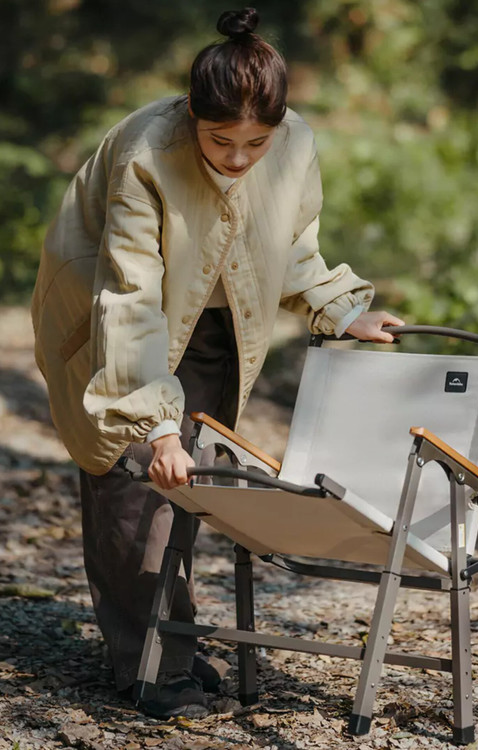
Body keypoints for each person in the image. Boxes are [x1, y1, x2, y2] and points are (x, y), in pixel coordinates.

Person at [31, 6, 404, 719]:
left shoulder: (294, 144)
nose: (238, 158)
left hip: (217, 318)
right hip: (112, 318)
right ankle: (149, 667)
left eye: (256, 143)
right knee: (137, 482)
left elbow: (288, 244)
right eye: (220, 140)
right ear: (191, 114)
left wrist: (338, 308)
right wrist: (156, 424)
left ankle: (166, 639)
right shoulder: (147, 153)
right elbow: (131, 297)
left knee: (191, 482)